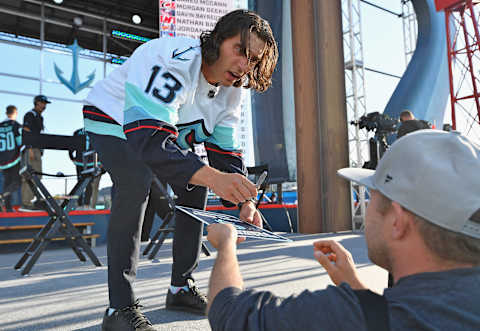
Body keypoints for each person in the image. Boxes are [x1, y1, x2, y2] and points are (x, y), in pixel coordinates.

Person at [82, 9, 278, 331]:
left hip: (156, 130)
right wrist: (214, 177)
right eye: (240, 50)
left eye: (254, 60)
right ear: (218, 41)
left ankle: (181, 288)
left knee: (194, 184)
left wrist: (245, 200)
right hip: (113, 117)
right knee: (135, 181)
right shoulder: (175, 60)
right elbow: (149, 138)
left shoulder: (232, 91)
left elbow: (225, 152)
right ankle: (119, 308)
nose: (245, 65)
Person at [206, 130, 480, 331]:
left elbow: (230, 315)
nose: (368, 208)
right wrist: (357, 288)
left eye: (374, 197)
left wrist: (226, 246)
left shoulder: (344, 316)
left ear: (398, 221)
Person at [21, 94, 50, 210]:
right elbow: (26, 131)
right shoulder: (30, 115)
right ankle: (26, 203)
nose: (44, 106)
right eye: (43, 103)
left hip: (38, 149)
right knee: (29, 175)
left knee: (38, 176)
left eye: (45, 104)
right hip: (31, 149)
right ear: (37, 103)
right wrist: (30, 149)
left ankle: (31, 201)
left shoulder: (39, 117)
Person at [68, 128, 102, 210]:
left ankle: (80, 205)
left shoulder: (77, 132)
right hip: (90, 161)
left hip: (81, 161)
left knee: (80, 183)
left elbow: (71, 146)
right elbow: (101, 146)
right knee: (89, 183)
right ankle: (85, 205)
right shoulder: (96, 131)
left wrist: (72, 157)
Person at [0, 105, 22, 212]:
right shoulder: (16, 125)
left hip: (2, 160)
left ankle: (8, 208)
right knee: (17, 182)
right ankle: (2, 196)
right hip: (14, 158)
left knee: (6, 182)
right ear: (15, 113)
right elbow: (20, 142)